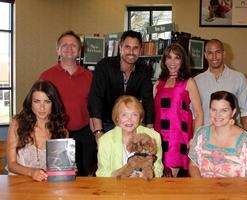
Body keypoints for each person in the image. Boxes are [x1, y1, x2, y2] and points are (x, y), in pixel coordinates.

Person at [39, 30, 96, 176]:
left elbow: (94, 108)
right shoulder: (46, 76)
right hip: (55, 134)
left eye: (73, 45)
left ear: (79, 50)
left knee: (82, 176)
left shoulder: (90, 77)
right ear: (58, 49)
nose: (69, 48)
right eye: (64, 45)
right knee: (59, 177)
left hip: (84, 136)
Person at [88, 30, 154, 136]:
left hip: (130, 123)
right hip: (106, 123)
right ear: (120, 47)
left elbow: (148, 99)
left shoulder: (143, 69)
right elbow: (95, 98)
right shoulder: (104, 66)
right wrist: (98, 131)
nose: (131, 52)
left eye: (135, 48)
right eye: (127, 47)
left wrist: (150, 128)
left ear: (141, 50)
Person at [153, 43, 203, 177]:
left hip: (177, 138)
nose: (172, 62)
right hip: (159, 137)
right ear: (164, 61)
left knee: (168, 179)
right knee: (158, 176)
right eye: (169, 57)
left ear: (183, 61)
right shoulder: (158, 83)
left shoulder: (189, 82)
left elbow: (198, 113)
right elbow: (154, 113)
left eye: (177, 58)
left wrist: (195, 139)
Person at [6, 80, 68, 181]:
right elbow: (11, 165)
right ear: (30, 103)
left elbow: (58, 168)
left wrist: (67, 168)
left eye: (47, 102)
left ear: (53, 104)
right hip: (17, 183)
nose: (42, 107)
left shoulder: (61, 131)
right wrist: (32, 172)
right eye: (37, 101)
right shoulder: (17, 124)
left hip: (45, 186)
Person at [96, 95, 163, 177]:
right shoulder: (105, 140)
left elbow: (158, 169)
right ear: (117, 118)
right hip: (116, 187)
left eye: (134, 114)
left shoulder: (154, 137)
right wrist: (122, 175)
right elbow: (101, 172)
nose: (129, 120)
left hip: (145, 186)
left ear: (140, 118)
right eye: (124, 115)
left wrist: (144, 175)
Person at [194, 39, 247, 132]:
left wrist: (244, 137)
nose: (214, 56)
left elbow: (246, 111)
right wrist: (196, 137)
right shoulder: (197, 81)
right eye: (210, 53)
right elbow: (195, 114)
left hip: (232, 136)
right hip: (206, 136)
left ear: (224, 54)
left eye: (218, 52)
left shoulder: (239, 78)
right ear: (205, 55)